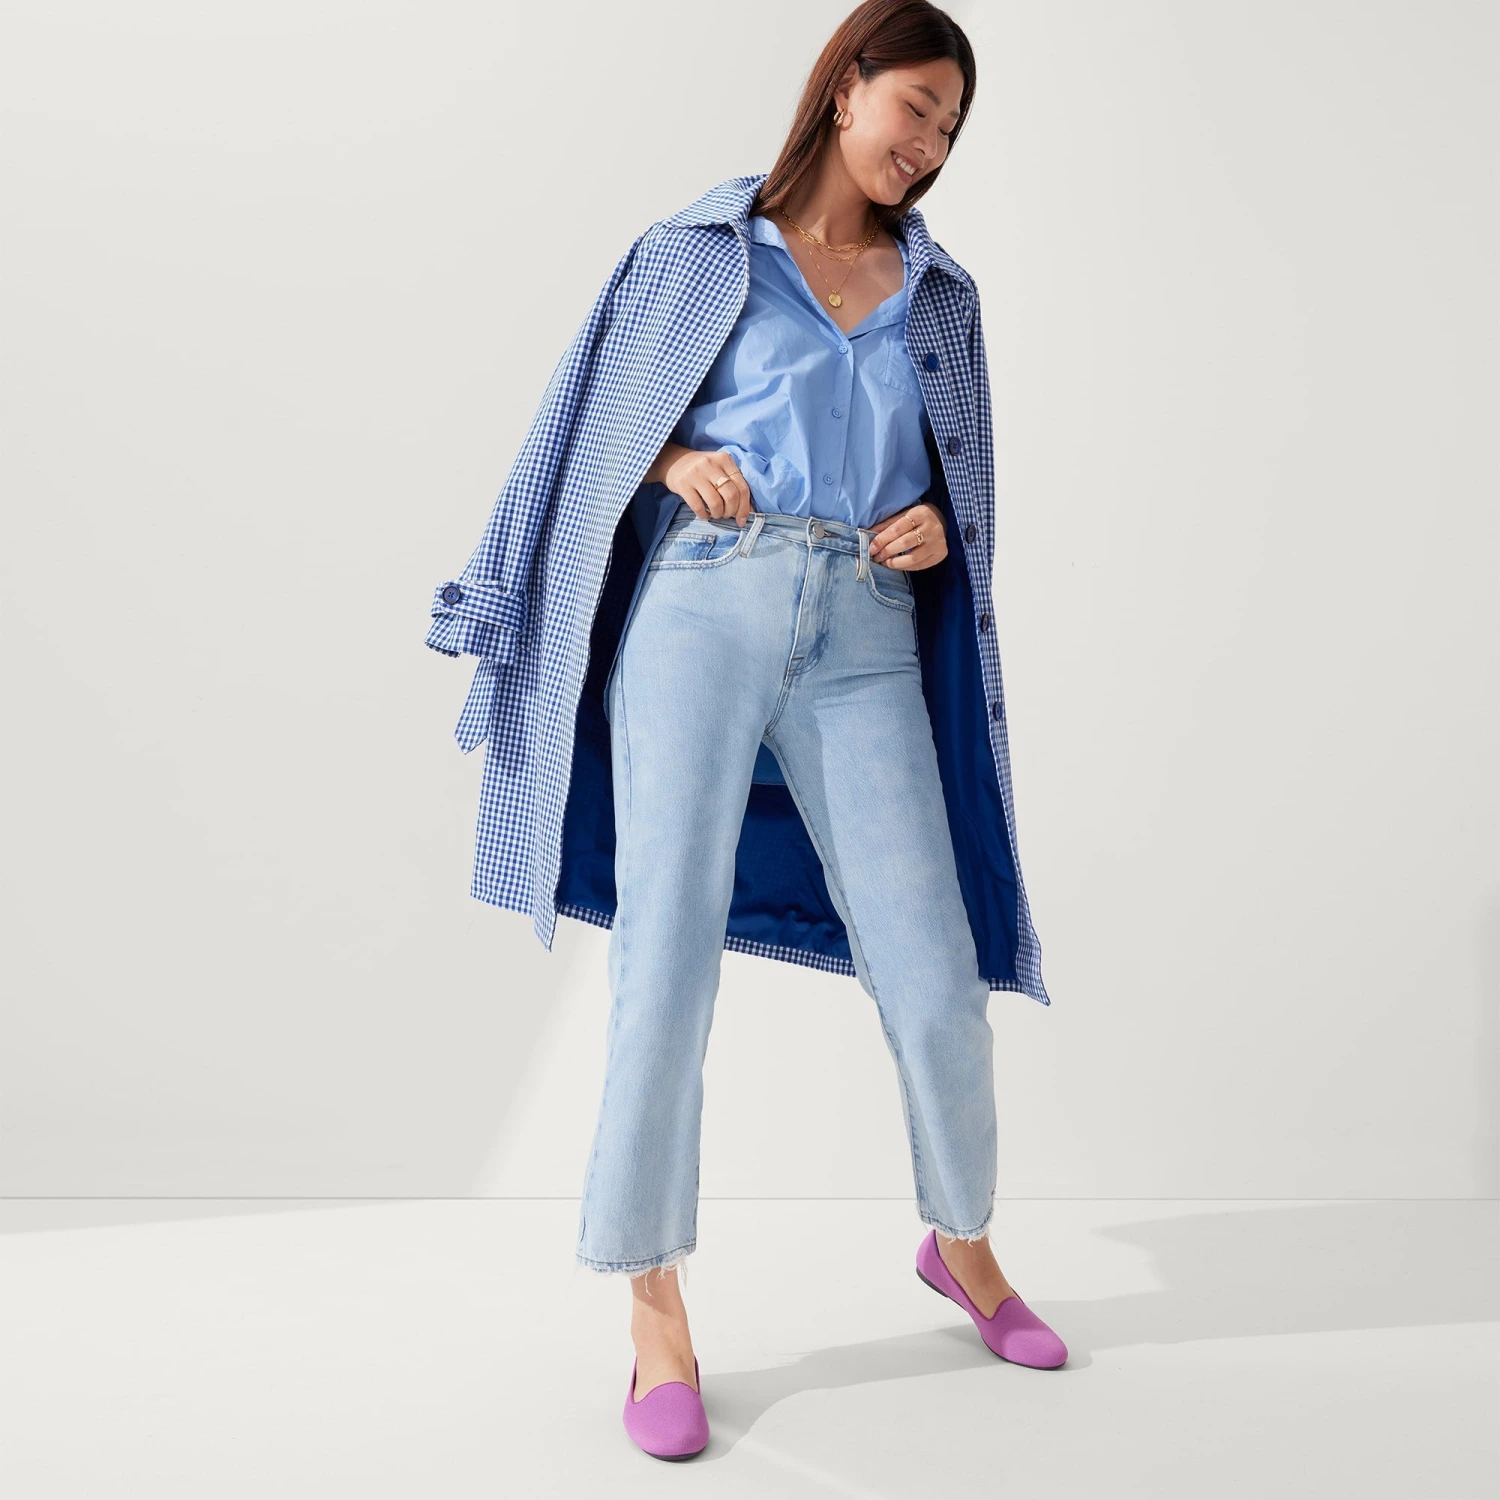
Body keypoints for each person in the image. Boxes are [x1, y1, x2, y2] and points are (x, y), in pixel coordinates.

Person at [425, 0, 1065, 1462]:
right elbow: (591, 420)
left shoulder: (940, 295)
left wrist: (932, 523)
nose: (928, 145)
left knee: (934, 969)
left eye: (950, 129)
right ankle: (655, 1311)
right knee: (665, 961)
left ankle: (961, 1241)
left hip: (864, 631)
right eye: (914, 107)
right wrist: (670, 456)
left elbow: (960, 487)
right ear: (845, 89)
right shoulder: (699, 251)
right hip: (703, 610)